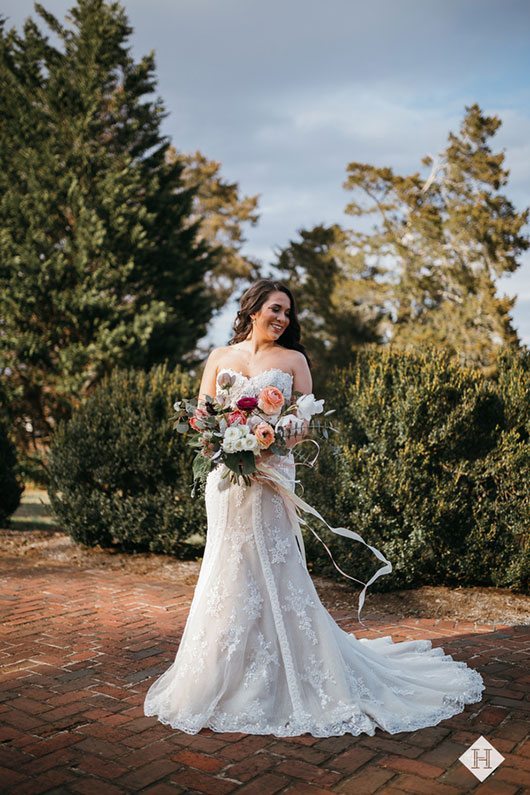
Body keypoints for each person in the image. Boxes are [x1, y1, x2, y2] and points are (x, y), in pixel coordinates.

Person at [144, 278, 484, 737]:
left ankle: (295, 667)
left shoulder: (294, 360)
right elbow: (202, 416)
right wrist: (221, 440)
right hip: (225, 481)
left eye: (287, 312)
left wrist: (275, 436)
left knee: (275, 563)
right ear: (252, 310)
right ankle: (220, 672)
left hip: (272, 475)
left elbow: (303, 420)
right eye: (275, 309)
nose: (282, 319)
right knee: (227, 567)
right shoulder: (220, 358)